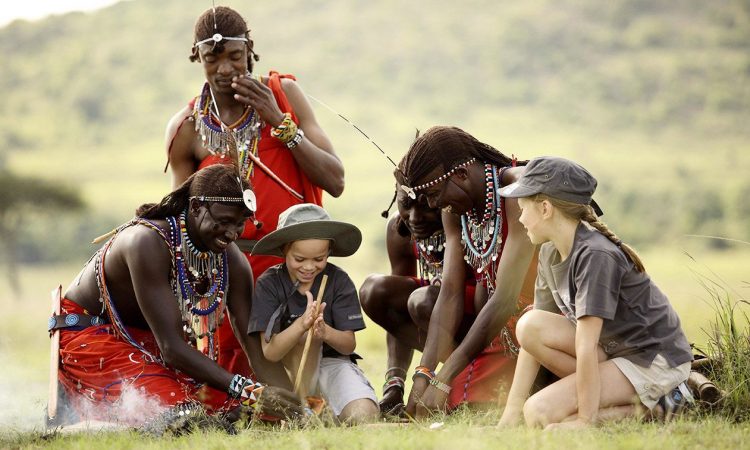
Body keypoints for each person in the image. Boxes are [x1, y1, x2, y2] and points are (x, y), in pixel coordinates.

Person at [164, 6, 345, 386]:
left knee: (306, 381)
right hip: (230, 272)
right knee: (237, 394)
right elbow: (184, 222)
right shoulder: (186, 129)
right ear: (198, 56)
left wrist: (278, 119)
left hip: (293, 268)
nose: (226, 69)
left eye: (235, 55)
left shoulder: (284, 94)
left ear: (250, 49)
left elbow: (335, 179)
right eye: (213, 58)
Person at [51, 165, 303, 428]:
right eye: (224, 221)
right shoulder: (146, 242)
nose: (232, 233)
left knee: (228, 409)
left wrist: (296, 406)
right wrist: (252, 392)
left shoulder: (232, 261)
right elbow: (172, 349)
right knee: (185, 416)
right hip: (90, 336)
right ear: (195, 208)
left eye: (240, 224)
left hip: (149, 343)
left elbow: (255, 349)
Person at [496, 156, 694, 429]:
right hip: (613, 351)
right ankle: (642, 403)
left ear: (545, 208)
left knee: (540, 412)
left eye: (522, 208)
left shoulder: (595, 256)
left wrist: (584, 422)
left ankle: (660, 405)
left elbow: (585, 345)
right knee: (529, 326)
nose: (520, 218)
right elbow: (538, 335)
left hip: (652, 358)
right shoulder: (550, 251)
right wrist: (509, 414)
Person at [395, 126, 538, 418]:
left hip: (546, 326)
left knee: (467, 401)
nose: (434, 206)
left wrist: (444, 377)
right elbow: (449, 294)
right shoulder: (455, 211)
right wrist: (423, 374)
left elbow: (506, 297)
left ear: (460, 175)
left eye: (434, 195)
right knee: (457, 405)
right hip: (502, 334)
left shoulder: (517, 190)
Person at [359, 167, 524, 416]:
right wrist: (395, 384)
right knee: (376, 290)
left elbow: (453, 294)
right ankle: (433, 377)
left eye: (426, 206)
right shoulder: (399, 230)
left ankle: (458, 374)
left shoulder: (466, 219)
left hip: (485, 319)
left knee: (423, 301)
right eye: (406, 205)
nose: (414, 217)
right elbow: (395, 318)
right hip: (438, 321)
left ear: (441, 197)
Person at [248, 203, 379, 424]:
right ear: (283, 251)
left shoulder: (339, 281)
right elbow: (270, 353)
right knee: (301, 339)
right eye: (299, 259)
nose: (309, 267)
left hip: (332, 364)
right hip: (288, 373)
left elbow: (349, 345)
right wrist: (301, 325)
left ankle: (327, 414)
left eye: (319, 259)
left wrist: (325, 332)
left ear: (329, 252)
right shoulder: (269, 284)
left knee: (364, 415)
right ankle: (309, 410)